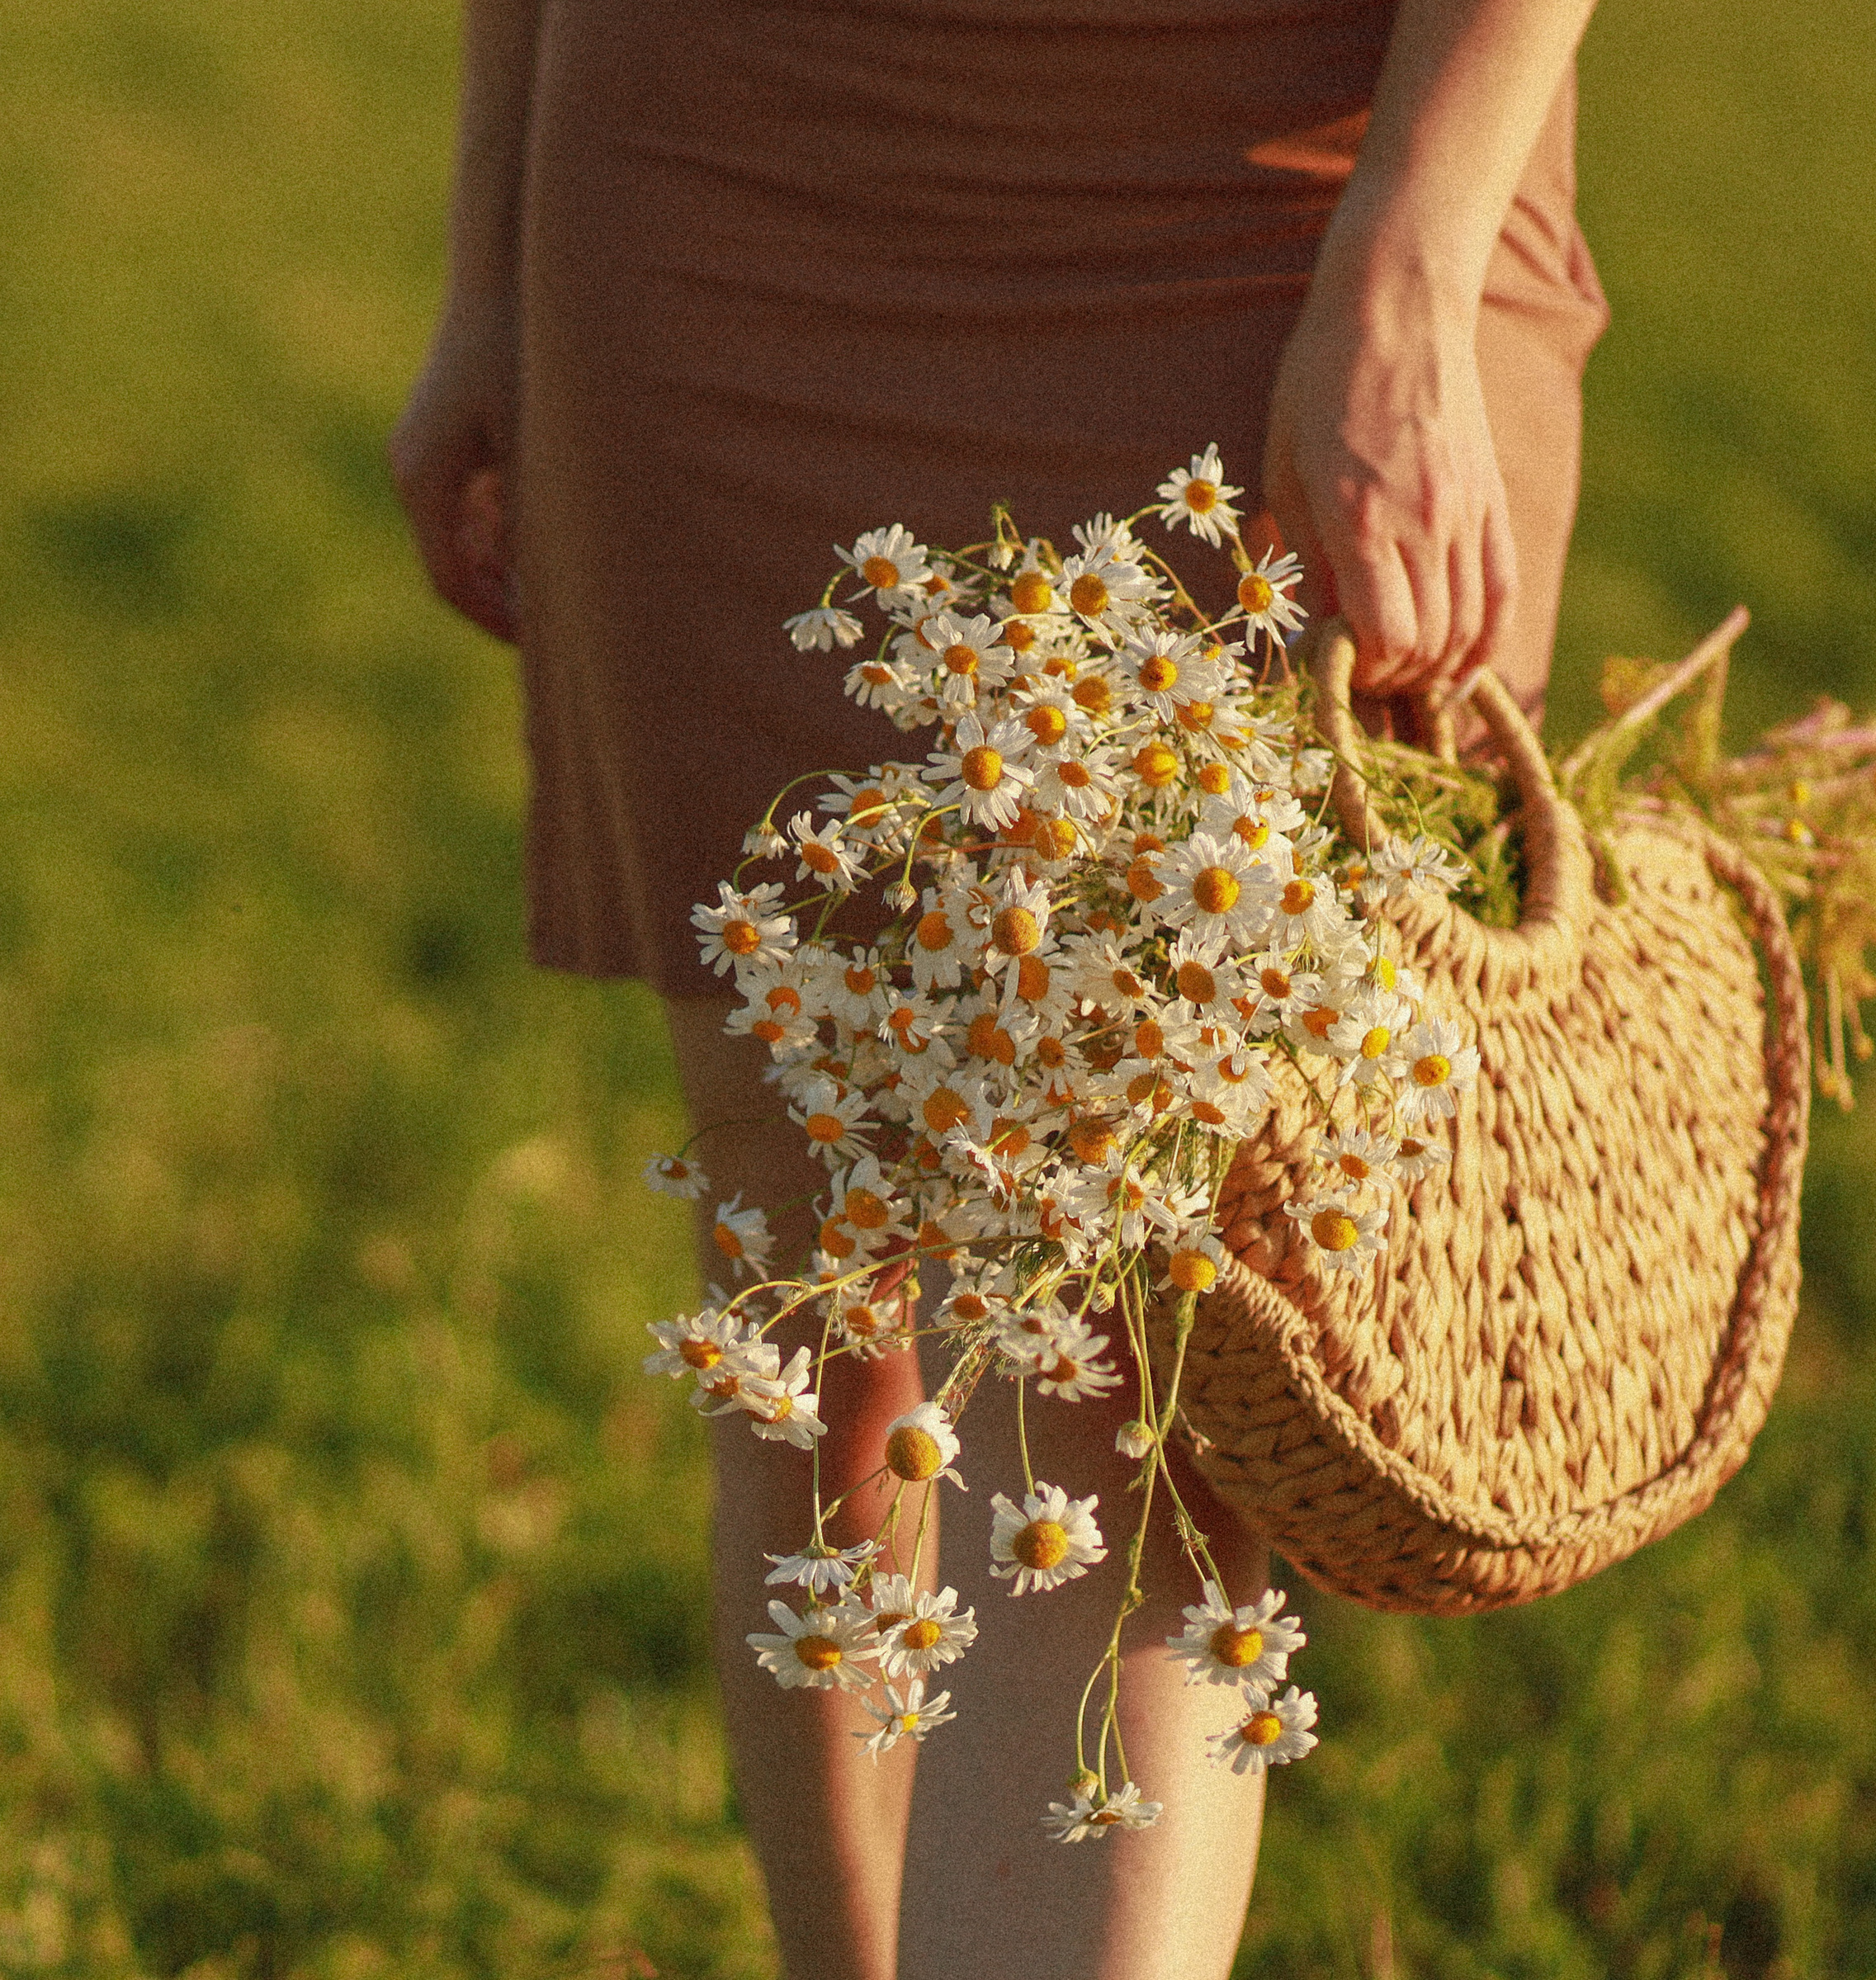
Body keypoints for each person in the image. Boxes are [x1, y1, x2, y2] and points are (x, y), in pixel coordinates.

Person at [390, 2, 1606, 1974]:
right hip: (724, 192)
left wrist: (1404, 264)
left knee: (1113, 1337)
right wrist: (488, 269)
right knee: (809, 1284)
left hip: (1275, 203)